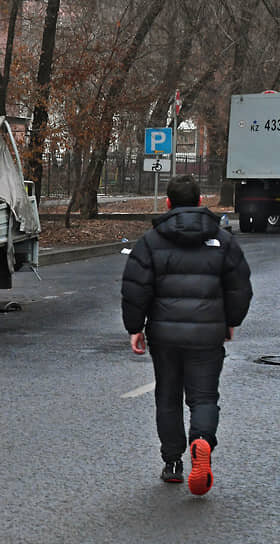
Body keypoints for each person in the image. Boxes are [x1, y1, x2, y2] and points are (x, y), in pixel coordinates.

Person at [120, 174, 252, 495]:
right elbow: (240, 287)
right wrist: (230, 321)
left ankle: (173, 463)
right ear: (199, 203)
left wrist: (135, 328)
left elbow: (135, 290)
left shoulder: (150, 242)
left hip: (164, 335)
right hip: (208, 334)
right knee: (204, 396)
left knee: (168, 395)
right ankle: (202, 441)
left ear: (167, 203)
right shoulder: (223, 240)